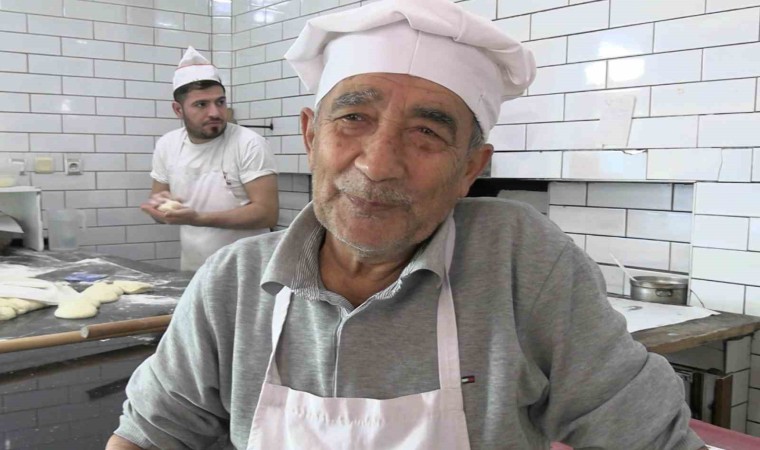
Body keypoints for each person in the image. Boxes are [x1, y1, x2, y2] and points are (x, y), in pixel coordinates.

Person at [109, 1, 707, 449]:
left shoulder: (520, 264)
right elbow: (149, 435)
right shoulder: (233, 284)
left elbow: (648, 438)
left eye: (426, 132)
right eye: (354, 118)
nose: (379, 164)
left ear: (470, 168)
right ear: (311, 135)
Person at [140, 46, 279, 271]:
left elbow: (267, 214)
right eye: (201, 104)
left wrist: (198, 218)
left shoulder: (248, 143)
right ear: (178, 110)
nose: (214, 112)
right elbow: (158, 203)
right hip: (194, 268)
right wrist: (160, 208)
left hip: (246, 270)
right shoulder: (168, 145)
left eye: (220, 102)